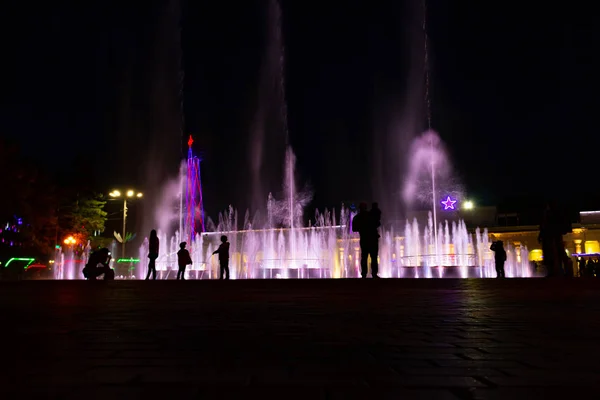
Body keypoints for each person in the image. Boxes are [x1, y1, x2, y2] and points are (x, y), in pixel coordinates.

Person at [352, 202, 379, 278]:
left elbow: (354, 229)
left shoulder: (357, 217)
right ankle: (373, 274)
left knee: (364, 257)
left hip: (364, 239)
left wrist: (362, 228)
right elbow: (377, 224)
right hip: (372, 239)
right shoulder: (370, 215)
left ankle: (364, 274)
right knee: (373, 257)